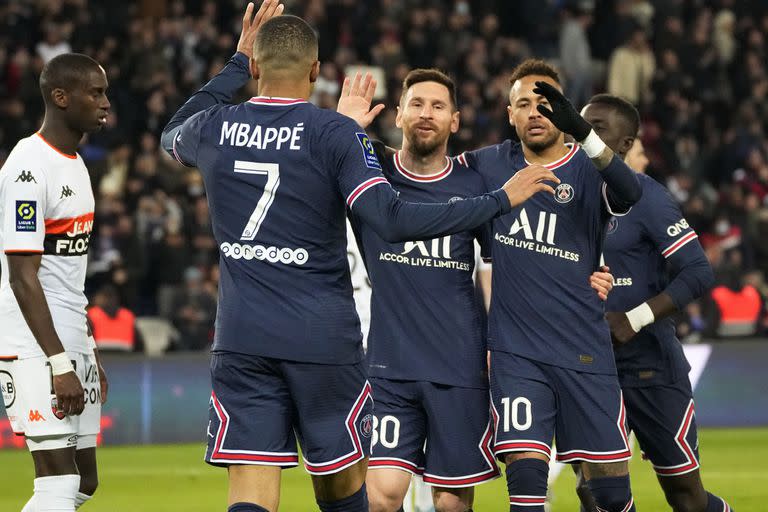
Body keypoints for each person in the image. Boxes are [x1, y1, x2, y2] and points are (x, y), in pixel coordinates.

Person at [159, 3, 559, 511]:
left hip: (242, 338)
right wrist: (500, 199)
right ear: (316, 70)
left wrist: (234, 62)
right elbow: (391, 219)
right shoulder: (335, 133)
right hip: (321, 340)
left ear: (257, 67)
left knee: (252, 489)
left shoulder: (214, 126)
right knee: (344, 488)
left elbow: (171, 131)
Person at [338, 68, 616, 512]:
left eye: (437, 106)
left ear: (455, 121)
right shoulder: (375, 173)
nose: (426, 114)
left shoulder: (475, 181)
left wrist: (593, 268)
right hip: (391, 363)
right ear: (398, 115)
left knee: (451, 503)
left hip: (460, 368)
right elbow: (322, 161)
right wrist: (346, 128)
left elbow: (520, 251)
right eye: (416, 104)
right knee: (382, 495)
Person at [456, 59, 643, 512]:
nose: (535, 112)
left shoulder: (589, 166)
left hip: (585, 351)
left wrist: (583, 131)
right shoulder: (487, 164)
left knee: (612, 496)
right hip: (516, 353)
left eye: (546, 104)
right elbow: (426, 173)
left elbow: (629, 191)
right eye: (524, 104)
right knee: (525, 489)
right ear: (509, 114)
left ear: (563, 112)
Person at [580, 93, 734, 512]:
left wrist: (636, 318)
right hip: (589, 368)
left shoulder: (648, 198)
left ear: (626, 144)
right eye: (579, 125)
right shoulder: (563, 197)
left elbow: (699, 273)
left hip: (649, 365)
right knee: (595, 496)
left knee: (685, 497)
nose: (582, 135)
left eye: (597, 128)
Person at [0, 53, 110, 511]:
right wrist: (58, 363)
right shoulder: (28, 168)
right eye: (96, 92)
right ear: (61, 97)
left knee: (84, 481)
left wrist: (88, 351)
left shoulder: (76, 163)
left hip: (69, 333)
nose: (106, 102)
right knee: (58, 481)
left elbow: (68, 274)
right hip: (31, 339)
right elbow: (23, 276)